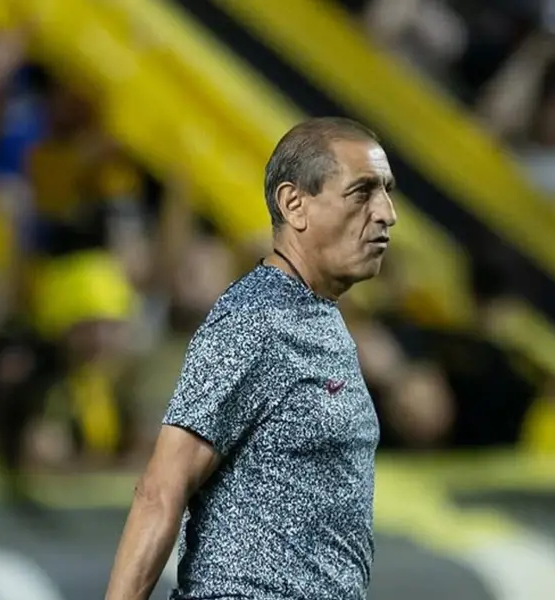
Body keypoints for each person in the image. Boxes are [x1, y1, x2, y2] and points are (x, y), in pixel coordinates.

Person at [105, 117, 397, 600]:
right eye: (362, 192)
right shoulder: (254, 319)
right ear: (294, 204)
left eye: (387, 191)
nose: (387, 213)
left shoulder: (316, 314)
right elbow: (161, 488)